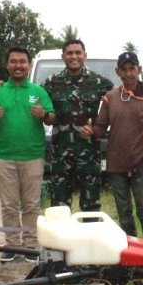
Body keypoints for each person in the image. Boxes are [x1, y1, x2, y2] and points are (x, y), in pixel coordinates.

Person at [0, 47, 55, 262]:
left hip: (33, 156)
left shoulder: (38, 92)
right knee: (9, 204)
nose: (18, 65)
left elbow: (51, 117)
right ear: (7, 65)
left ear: (28, 65)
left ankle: (31, 245)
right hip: (4, 156)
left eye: (22, 61)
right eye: (13, 61)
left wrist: (43, 114)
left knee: (31, 204)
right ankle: (12, 245)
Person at [89, 52, 143, 242]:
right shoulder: (110, 97)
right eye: (124, 69)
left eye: (132, 68)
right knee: (125, 214)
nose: (129, 73)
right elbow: (100, 126)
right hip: (116, 165)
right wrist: (90, 130)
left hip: (141, 163)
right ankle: (133, 255)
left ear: (139, 70)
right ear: (117, 72)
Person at [42, 39, 114, 213]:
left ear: (85, 56)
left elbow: (120, 101)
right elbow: (32, 98)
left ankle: (88, 239)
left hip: (89, 153)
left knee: (91, 207)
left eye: (78, 52)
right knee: (59, 207)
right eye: (70, 53)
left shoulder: (99, 82)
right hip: (61, 154)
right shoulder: (51, 82)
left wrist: (97, 127)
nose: (74, 56)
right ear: (63, 57)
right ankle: (60, 241)